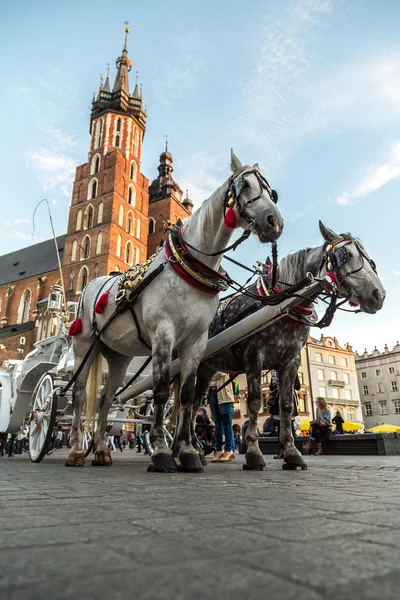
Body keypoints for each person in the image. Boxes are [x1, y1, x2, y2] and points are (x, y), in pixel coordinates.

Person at [269, 376, 300, 459]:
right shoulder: (274, 373)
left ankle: (292, 449)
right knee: (279, 429)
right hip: (277, 400)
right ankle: (282, 450)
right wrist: (274, 384)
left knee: (290, 427)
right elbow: (271, 388)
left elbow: (298, 386)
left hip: (289, 399)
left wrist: (286, 383)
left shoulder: (292, 369)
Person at [207, 372, 235, 463]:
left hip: (224, 393)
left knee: (227, 423)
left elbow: (222, 371)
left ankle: (228, 450)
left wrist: (207, 375)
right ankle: (218, 450)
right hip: (212, 392)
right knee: (217, 423)